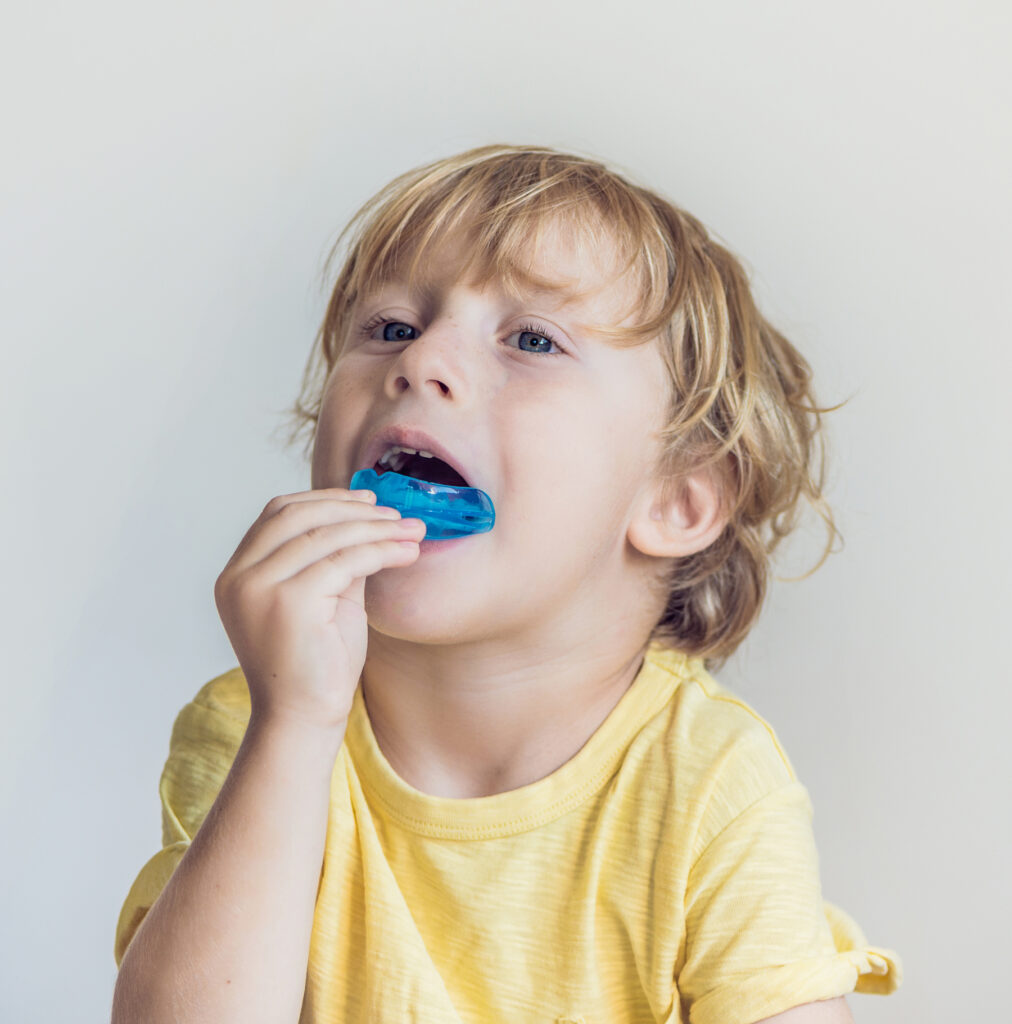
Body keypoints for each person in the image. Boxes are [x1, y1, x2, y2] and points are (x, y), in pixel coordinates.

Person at [111, 145, 902, 1023]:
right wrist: (293, 727)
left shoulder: (709, 782)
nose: (419, 363)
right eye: (391, 327)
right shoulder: (255, 727)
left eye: (532, 340)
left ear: (677, 501)